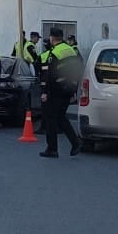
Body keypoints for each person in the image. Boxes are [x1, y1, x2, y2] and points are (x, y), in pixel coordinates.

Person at [38, 28, 82, 158]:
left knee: (50, 118)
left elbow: (48, 75)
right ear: (62, 37)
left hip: (55, 91)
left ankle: (52, 149)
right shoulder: (71, 51)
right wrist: (74, 91)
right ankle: (76, 143)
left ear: (52, 38)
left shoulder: (53, 54)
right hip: (68, 90)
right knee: (60, 117)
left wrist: (45, 92)